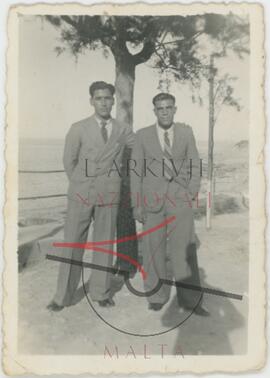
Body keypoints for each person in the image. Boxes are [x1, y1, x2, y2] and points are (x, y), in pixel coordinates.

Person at [47, 81, 134, 311]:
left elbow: (137, 153)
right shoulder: (78, 128)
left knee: (104, 244)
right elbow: (69, 161)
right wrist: (82, 183)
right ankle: (62, 297)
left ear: (113, 101)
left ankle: (101, 292)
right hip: (82, 194)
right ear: (91, 101)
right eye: (99, 98)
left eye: (108, 98)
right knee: (72, 243)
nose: (104, 102)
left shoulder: (122, 129)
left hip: (109, 194)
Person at [131, 92, 209, 315]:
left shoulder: (185, 132)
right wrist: (137, 204)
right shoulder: (143, 135)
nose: (164, 111)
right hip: (151, 201)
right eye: (160, 108)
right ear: (154, 111)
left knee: (184, 250)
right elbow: (135, 172)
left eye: (168, 107)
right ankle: (156, 296)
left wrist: (191, 192)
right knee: (152, 249)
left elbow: (194, 163)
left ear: (175, 109)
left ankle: (190, 299)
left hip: (179, 200)